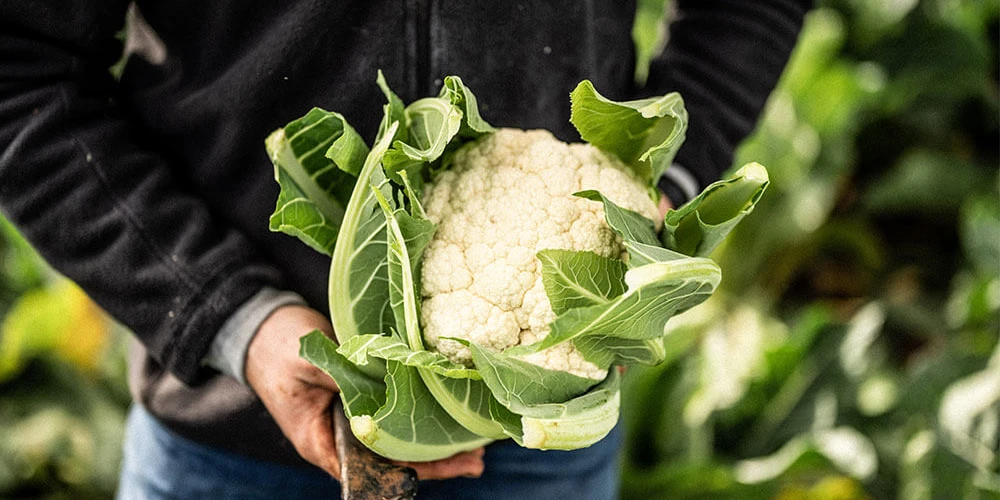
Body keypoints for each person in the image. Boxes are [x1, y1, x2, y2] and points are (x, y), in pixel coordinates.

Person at [0, 1, 811, 498]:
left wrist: (653, 195)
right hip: (224, 441)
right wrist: (232, 316)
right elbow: (22, 72)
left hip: (536, 452)